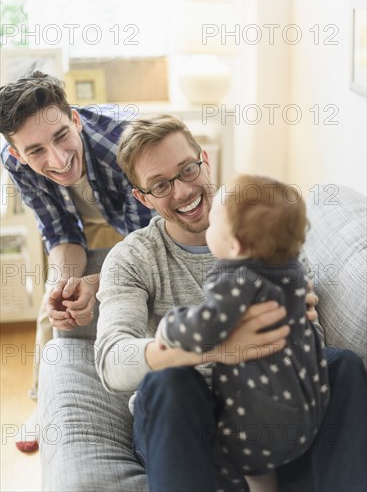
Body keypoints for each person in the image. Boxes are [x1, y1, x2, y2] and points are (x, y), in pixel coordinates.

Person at [96, 114, 366, 491]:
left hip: (271, 417)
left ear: (204, 160)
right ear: (142, 198)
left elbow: (313, 338)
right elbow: (112, 360)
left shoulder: (265, 230)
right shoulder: (133, 259)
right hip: (189, 429)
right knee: (169, 380)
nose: (182, 191)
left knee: (343, 366)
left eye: (187, 170)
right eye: (160, 185)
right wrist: (215, 348)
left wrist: (294, 327)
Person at [0, 71, 154, 451]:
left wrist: (97, 283)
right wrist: (66, 287)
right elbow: (61, 233)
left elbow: (146, 243)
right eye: (36, 151)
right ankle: (45, 400)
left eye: (60, 137)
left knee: (133, 293)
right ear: (18, 153)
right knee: (53, 301)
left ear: (75, 119)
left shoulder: (125, 142)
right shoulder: (15, 162)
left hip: (145, 220)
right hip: (86, 219)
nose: (57, 159)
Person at [155, 174, 329, 492]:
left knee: (222, 452)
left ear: (234, 245)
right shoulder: (291, 270)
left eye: (214, 225)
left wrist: (170, 325)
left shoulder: (236, 280)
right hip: (307, 415)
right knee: (262, 466)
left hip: (257, 428)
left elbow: (204, 328)